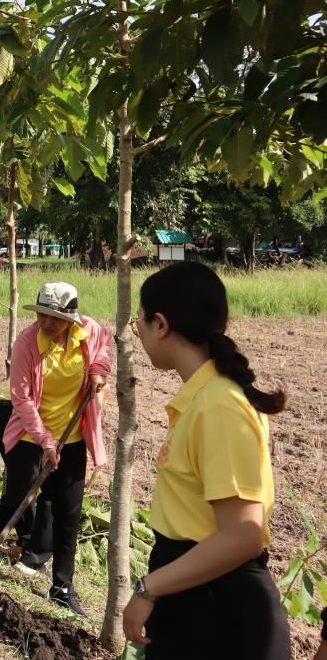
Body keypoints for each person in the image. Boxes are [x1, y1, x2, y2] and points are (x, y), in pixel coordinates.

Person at [121, 262, 290, 658]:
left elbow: (242, 535)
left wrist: (149, 589)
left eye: (139, 322)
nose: (139, 332)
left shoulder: (218, 406)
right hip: (198, 595)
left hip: (219, 612)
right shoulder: (205, 398)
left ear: (161, 324)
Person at [0, 282, 110, 617]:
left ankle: (62, 587)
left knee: (68, 513)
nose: (47, 322)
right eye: (43, 314)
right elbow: (22, 400)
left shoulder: (89, 331)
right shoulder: (28, 343)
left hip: (71, 439)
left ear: (71, 318)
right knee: (15, 501)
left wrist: (98, 372)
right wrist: (45, 441)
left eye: (55, 317)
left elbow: (103, 349)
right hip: (30, 434)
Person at [0, 389, 54, 574]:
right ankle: (32, 556)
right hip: (29, 413)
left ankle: (25, 543)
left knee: (23, 485)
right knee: (48, 489)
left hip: (2, 406)